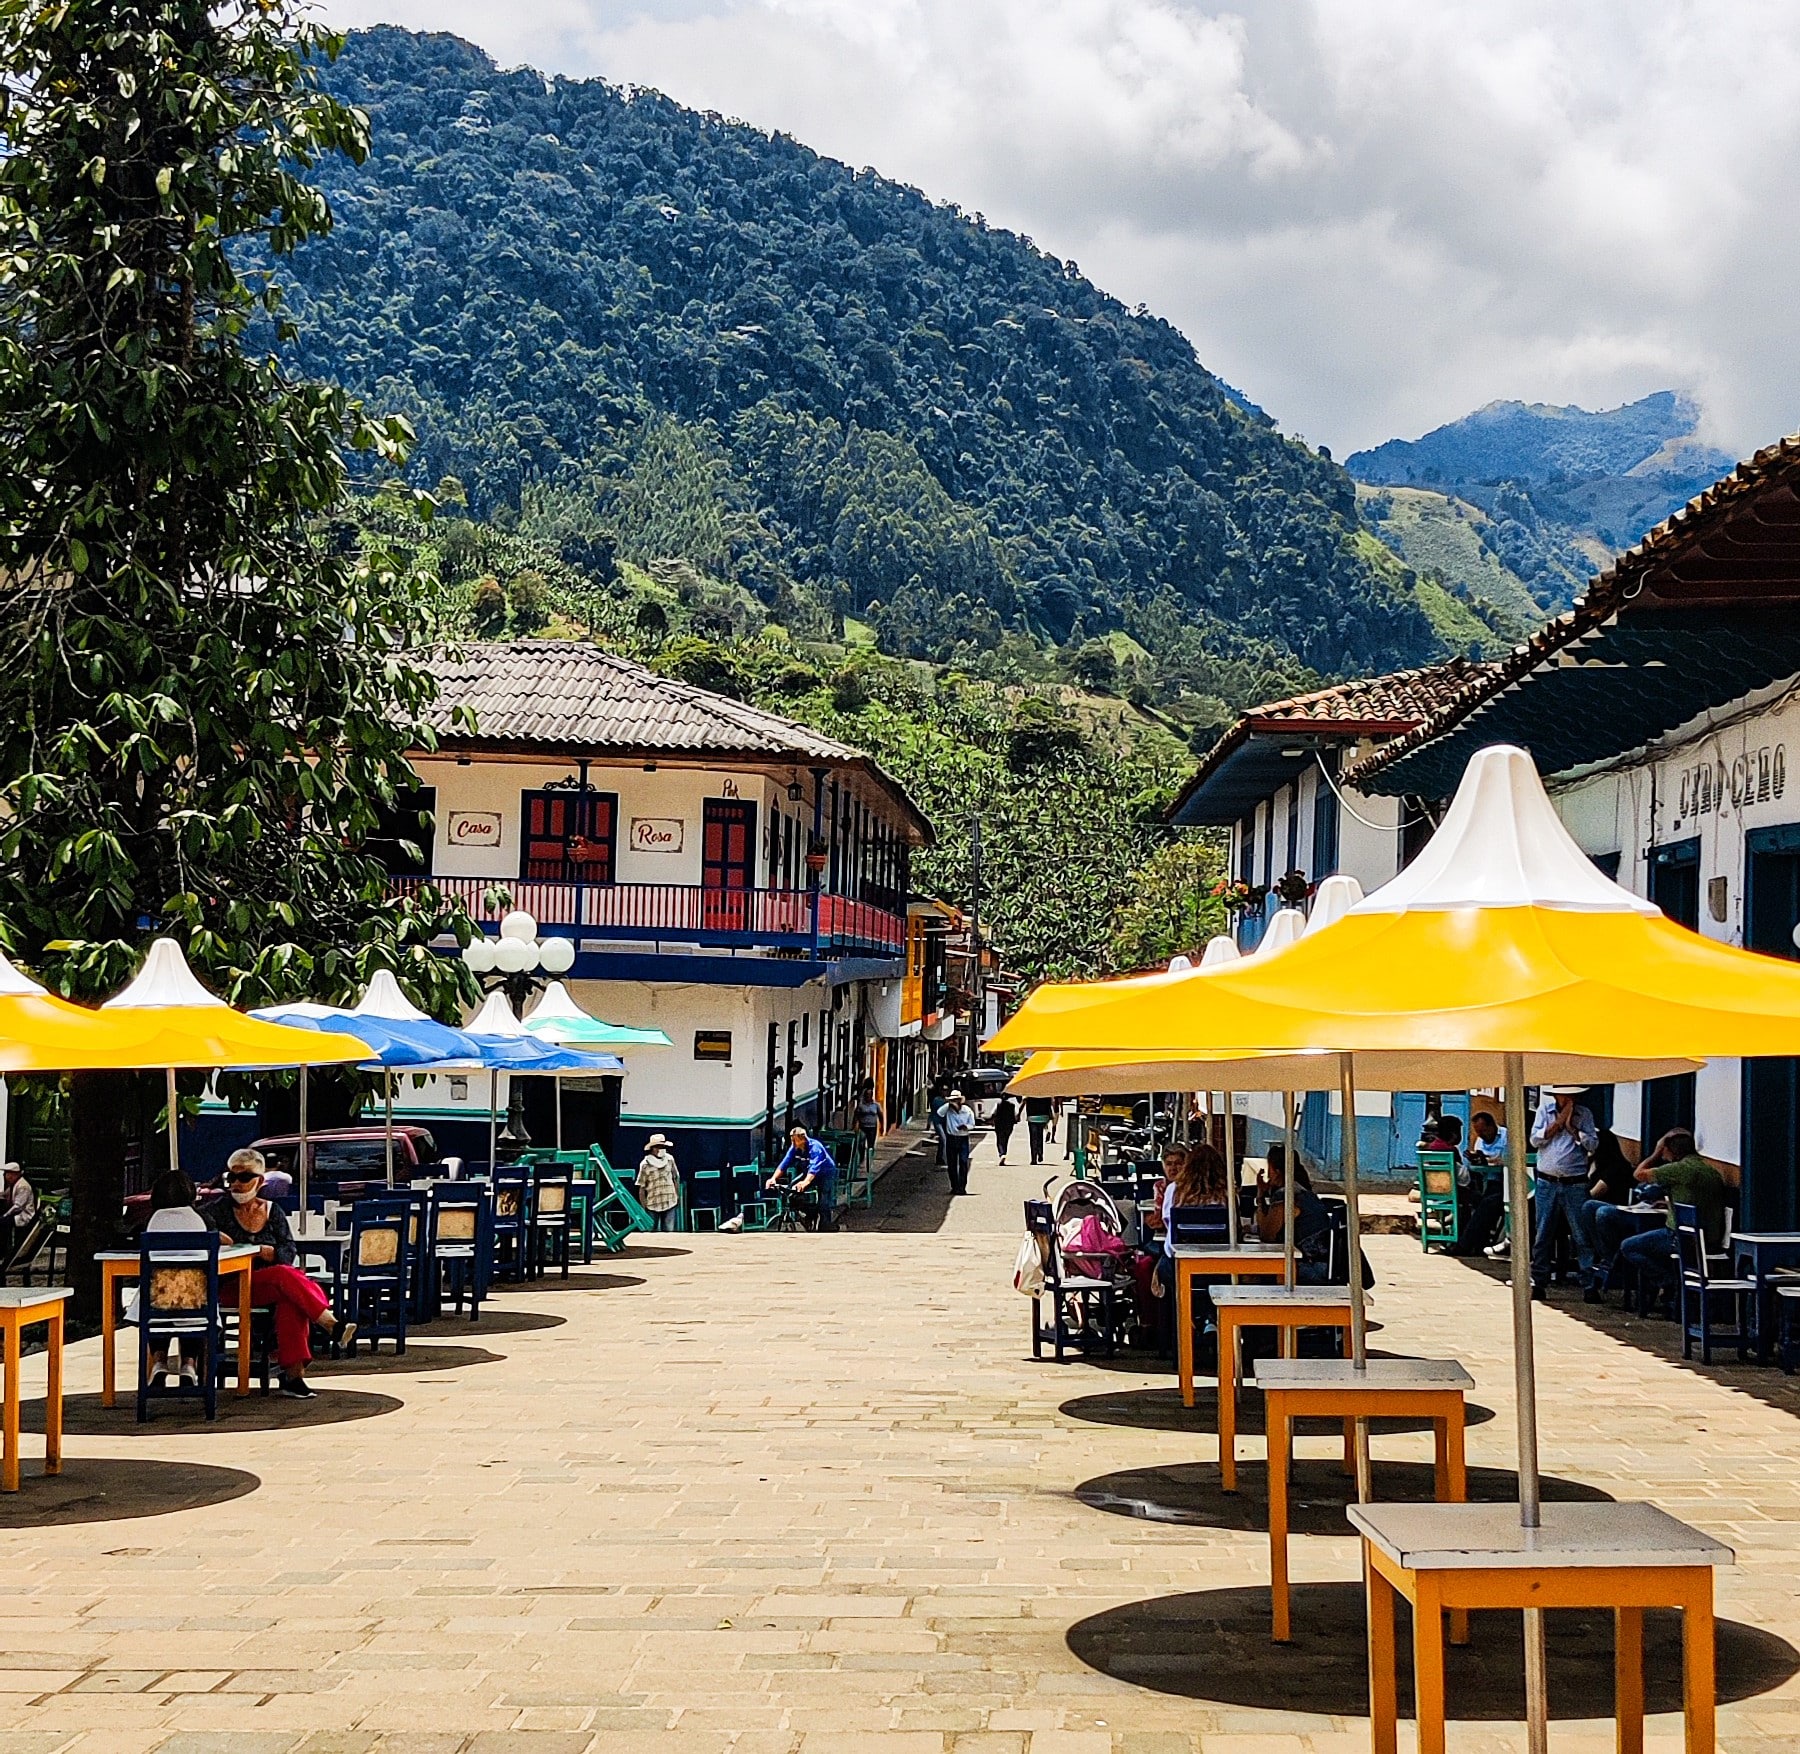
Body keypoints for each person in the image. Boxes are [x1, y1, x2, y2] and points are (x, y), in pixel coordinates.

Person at [201, 1148, 352, 1398]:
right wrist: (215, 1237)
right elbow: (201, 1233)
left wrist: (271, 1253)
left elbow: (288, 1249)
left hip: (269, 1286)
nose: (237, 1184)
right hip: (231, 1286)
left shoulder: (273, 1212)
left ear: (259, 1181)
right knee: (287, 1277)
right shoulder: (215, 1212)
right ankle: (327, 1322)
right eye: (231, 1178)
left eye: (244, 1177)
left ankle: (294, 1377)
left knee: (289, 1297)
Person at [1614, 1130, 1727, 1313]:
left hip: (1681, 1238)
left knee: (1629, 1246)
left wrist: (1655, 1152)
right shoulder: (1710, 1171)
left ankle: (1668, 1282)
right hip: (1709, 1236)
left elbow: (1639, 1174)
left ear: (1671, 1152)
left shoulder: (1678, 1169)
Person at [1528, 1085, 1599, 1299]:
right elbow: (1535, 1140)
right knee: (1543, 1233)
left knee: (1581, 1235)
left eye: (1572, 1095)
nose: (1569, 1098)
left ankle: (1589, 1284)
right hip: (1547, 1182)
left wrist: (1572, 1128)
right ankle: (1539, 1282)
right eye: (1565, 1094)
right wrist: (1558, 1124)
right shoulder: (1544, 1111)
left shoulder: (1584, 1114)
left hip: (1575, 1183)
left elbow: (1593, 1145)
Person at [1254, 1144, 1334, 1282]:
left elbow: (1267, 1235)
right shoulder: (1301, 1190)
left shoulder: (1287, 1195)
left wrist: (1260, 1196)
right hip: (1325, 1263)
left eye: (1269, 1169)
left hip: (1312, 1266)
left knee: (1253, 1274)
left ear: (1277, 1171)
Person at [765, 1126, 839, 1230]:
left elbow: (814, 1167)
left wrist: (805, 1183)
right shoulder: (795, 1148)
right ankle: (810, 1213)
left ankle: (825, 1225)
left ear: (802, 1139)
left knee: (824, 1199)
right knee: (791, 1192)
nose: (793, 1143)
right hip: (807, 1172)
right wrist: (773, 1178)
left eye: (795, 1140)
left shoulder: (815, 1147)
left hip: (825, 1173)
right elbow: (784, 1164)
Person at [636, 1134, 682, 1232]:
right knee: (651, 1231)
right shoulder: (645, 1164)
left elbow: (675, 1178)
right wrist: (643, 1206)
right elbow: (641, 1187)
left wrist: (677, 1196)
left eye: (662, 1147)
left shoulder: (670, 1159)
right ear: (652, 1148)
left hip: (670, 1200)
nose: (660, 1149)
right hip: (652, 1203)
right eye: (658, 1147)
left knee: (669, 1231)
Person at [941, 1089, 977, 1195]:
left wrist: (966, 1127)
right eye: (953, 1100)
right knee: (951, 1164)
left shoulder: (967, 1110)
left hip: (963, 1138)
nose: (955, 1102)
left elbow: (972, 1124)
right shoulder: (948, 1110)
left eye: (956, 1100)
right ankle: (954, 1186)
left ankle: (962, 1187)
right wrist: (948, 1104)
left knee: (963, 1162)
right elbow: (940, 1113)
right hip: (951, 1138)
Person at [0, 1161, 36, 1262]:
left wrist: (5, 1215)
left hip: (23, 1216)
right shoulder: (14, 1184)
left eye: (7, 1173)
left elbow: (18, 1206)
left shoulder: (22, 1186)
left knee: (2, 1223)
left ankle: (3, 1251)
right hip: (17, 1213)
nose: (5, 1176)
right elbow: (5, 1194)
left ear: (14, 1174)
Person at [854, 1081, 883, 1169]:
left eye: (870, 1095)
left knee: (871, 1145)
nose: (868, 1096)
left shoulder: (876, 1105)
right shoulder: (861, 1105)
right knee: (861, 1144)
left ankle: (869, 1161)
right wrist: (855, 1124)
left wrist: (882, 1126)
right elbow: (856, 1115)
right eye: (867, 1095)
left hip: (872, 1128)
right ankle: (861, 1159)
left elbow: (880, 1115)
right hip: (863, 1127)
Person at [990, 1092, 1019, 1165]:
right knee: (1006, 1140)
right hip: (1009, 1126)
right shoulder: (1012, 1106)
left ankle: (1002, 1154)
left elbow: (993, 1114)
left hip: (999, 1125)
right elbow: (1015, 1115)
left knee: (1000, 1141)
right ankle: (1004, 1154)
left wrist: (991, 1121)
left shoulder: (998, 1105)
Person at [1025, 1096, 1052, 1166]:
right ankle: (1040, 1153)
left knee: (1033, 1138)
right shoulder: (1045, 1094)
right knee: (1040, 1136)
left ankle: (1033, 1158)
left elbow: (1023, 1102)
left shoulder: (1029, 1094)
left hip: (1032, 1117)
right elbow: (1049, 1105)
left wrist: (1018, 1113)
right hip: (1043, 1117)